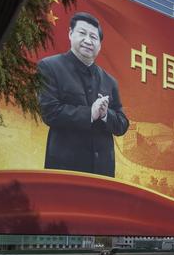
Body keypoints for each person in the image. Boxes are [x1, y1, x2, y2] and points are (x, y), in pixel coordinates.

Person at [38, 12, 129, 177]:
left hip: (103, 173)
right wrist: (90, 113)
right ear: (70, 34)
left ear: (100, 45)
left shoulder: (110, 81)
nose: (88, 41)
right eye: (82, 33)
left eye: (93, 37)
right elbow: (49, 112)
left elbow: (122, 124)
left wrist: (105, 115)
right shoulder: (50, 67)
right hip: (65, 171)